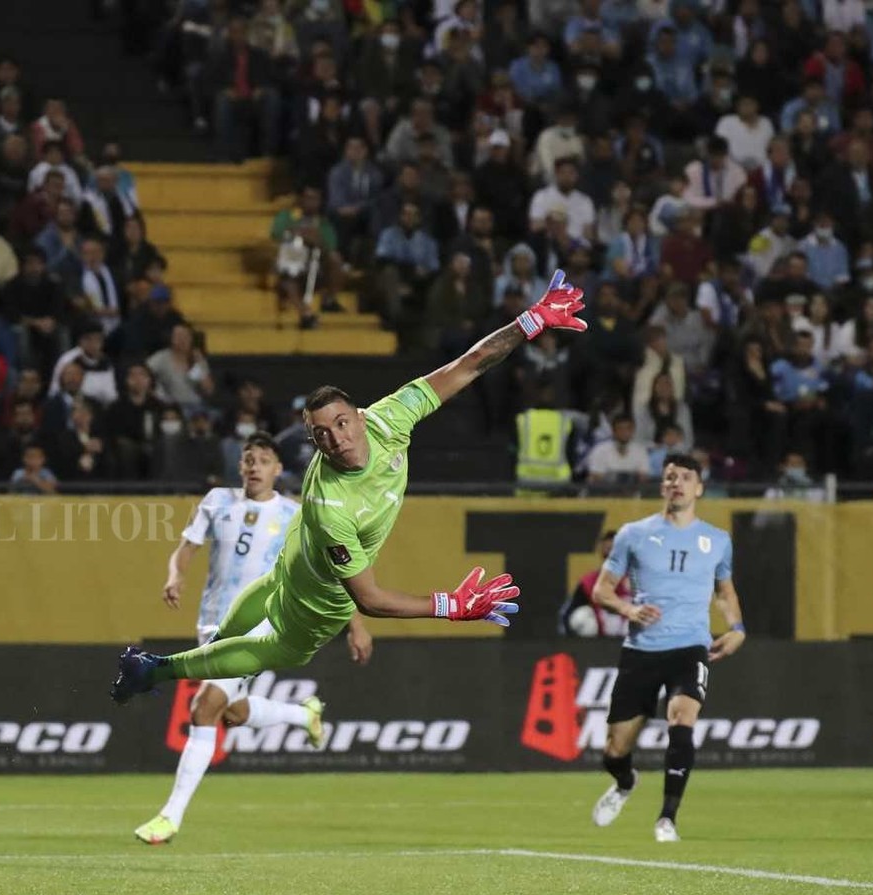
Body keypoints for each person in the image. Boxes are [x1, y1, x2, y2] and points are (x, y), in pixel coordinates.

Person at [110, 271, 589, 704]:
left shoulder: (389, 417)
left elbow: (469, 364)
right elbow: (369, 599)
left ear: (361, 416)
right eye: (322, 434)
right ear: (312, 441)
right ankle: (156, 671)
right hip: (319, 599)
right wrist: (450, 606)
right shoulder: (331, 504)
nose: (337, 439)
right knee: (280, 649)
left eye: (342, 423)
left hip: (293, 557)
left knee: (269, 588)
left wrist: (531, 320)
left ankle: (206, 653)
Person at [136, 433, 373, 845]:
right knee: (231, 712)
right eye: (248, 459)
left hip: (261, 624)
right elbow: (186, 548)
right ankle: (304, 716)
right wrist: (176, 575)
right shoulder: (217, 501)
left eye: (263, 460)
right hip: (212, 623)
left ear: (278, 470)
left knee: (203, 709)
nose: (254, 466)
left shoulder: (296, 514)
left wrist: (356, 623)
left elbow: (331, 572)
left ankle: (169, 817)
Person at [589, 454, 746, 842]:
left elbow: (723, 591)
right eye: (670, 476)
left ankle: (667, 819)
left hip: (691, 645)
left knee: (682, 718)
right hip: (642, 650)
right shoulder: (633, 534)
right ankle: (625, 782)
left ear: (699, 488)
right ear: (662, 486)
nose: (676, 482)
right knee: (614, 750)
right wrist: (629, 608)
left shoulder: (717, 540)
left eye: (685, 477)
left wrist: (737, 628)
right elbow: (601, 589)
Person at [558, 530, 631, 637]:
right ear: (602, 554)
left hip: (630, 640)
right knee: (582, 616)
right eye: (608, 553)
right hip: (598, 640)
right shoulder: (590, 582)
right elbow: (567, 613)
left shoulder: (638, 580)